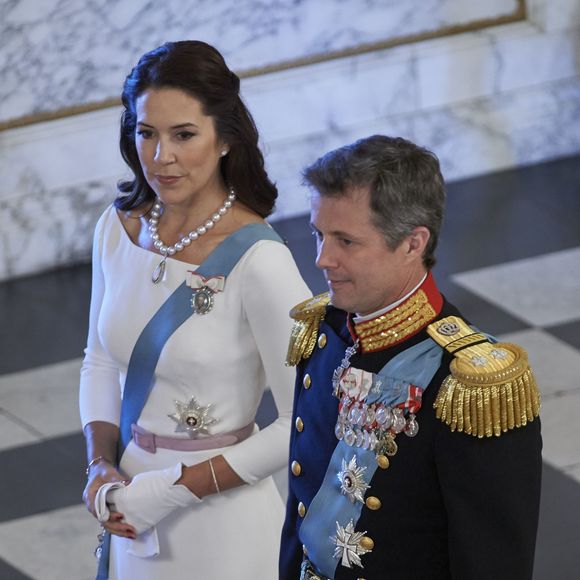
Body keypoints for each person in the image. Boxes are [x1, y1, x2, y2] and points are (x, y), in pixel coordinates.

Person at [79, 40, 311, 579]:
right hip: (127, 504)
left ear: (225, 137)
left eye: (183, 135)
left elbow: (304, 415)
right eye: (146, 133)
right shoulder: (119, 228)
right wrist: (100, 466)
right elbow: (98, 360)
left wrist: (174, 490)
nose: (161, 157)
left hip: (222, 520)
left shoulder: (261, 259)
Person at [279, 135, 542, 580]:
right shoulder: (325, 334)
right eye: (318, 234)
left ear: (412, 243)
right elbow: (301, 519)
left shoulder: (470, 387)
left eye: (346, 241)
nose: (322, 258)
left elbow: (494, 563)